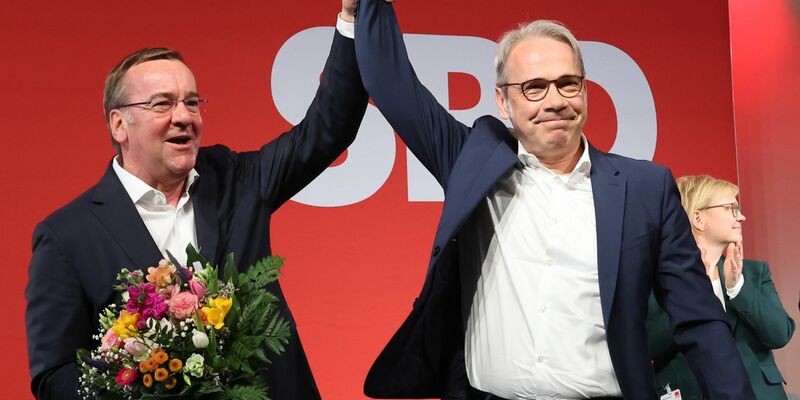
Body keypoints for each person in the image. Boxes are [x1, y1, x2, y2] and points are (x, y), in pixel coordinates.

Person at [351, 1, 757, 399]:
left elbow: (701, 321)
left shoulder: (645, 188)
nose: (556, 101)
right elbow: (391, 84)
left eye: (568, 83)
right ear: (502, 100)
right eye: (533, 87)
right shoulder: (472, 161)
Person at [24, 2, 375, 399]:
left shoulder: (235, 180)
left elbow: (328, 129)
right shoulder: (68, 236)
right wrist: (143, 368)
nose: (184, 116)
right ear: (119, 124)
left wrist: (352, 17)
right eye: (162, 104)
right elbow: (54, 377)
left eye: (191, 102)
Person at [648, 175, 795, 399]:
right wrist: (694, 294)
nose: (742, 217)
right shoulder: (659, 278)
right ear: (698, 218)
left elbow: (779, 334)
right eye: (731, 208)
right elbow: (650, 344)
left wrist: (737, 288)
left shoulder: (755, 273)